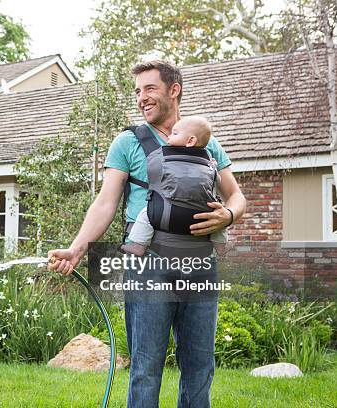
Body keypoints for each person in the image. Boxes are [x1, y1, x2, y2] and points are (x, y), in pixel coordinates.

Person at [47, 60, 246, 408]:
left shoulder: (205, 143)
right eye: (138, 91)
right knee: (146, 365)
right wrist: (77, 249)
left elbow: (237, 195)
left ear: (174, 90)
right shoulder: (127, 142)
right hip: (148, 263)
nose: (141, 98)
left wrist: (228, 216)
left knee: (200, 365)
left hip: (200, 263)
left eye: (149, 89)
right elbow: (105, 202)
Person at [121, 115, 228, 257]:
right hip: (202, 215)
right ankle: (221, 245)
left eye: (175, 133)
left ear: (191, 140)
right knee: (218, 219)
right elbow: (217, 182)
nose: (169, 137)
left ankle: (138, 244)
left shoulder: (163, 156)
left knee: (145, 214)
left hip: (166, 214)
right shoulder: (209, 159)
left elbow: (154, 177)